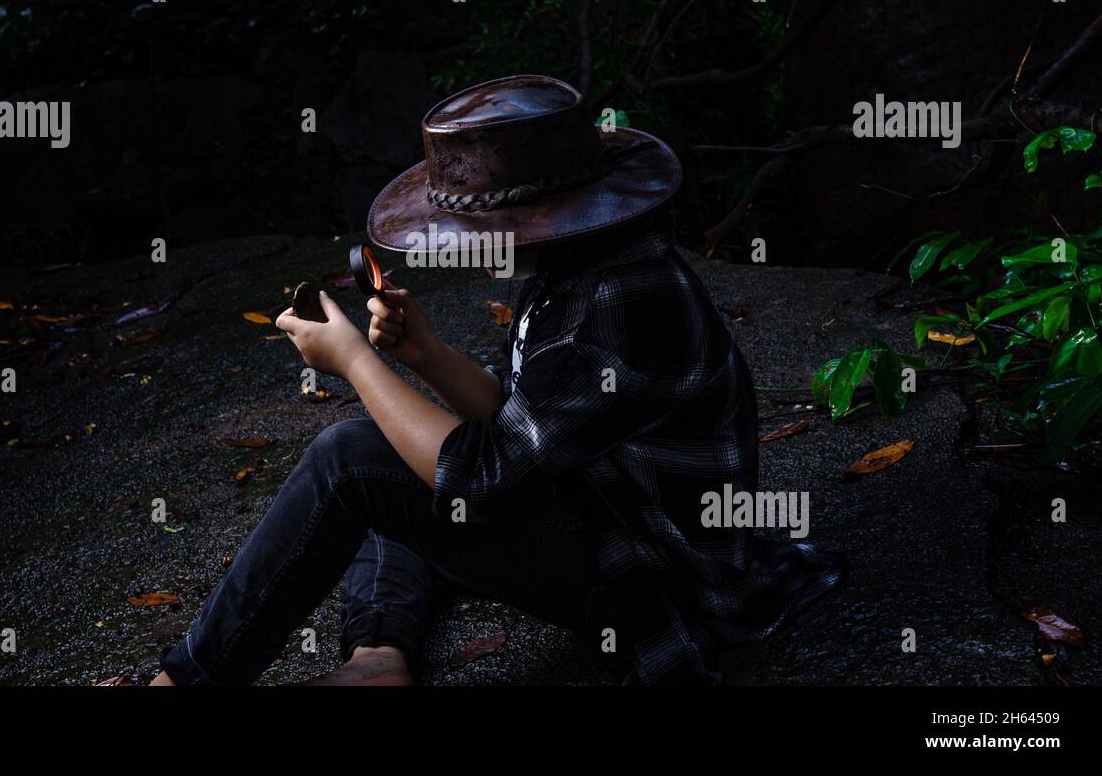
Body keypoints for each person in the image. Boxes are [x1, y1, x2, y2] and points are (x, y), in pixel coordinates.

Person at [151, 74, 842, 686]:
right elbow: (520, 427)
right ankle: (378, 653)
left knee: (349, 459)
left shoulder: (612, 304)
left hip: (649, 572)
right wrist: (426, 356)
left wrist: (357, 362)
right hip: (592, 504)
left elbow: (483, 476)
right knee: (398, 454)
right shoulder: (579, 269)